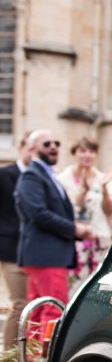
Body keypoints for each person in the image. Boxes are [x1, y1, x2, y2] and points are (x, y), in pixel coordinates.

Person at [14, 130, 92, 336]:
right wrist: (74, 229)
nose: (53, 147)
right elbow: (38, 213)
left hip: (47, 255)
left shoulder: (47, 175)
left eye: (56, 143)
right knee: (53, 311)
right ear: (31, 148)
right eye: (47, 143)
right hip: (46, 255)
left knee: (39, 313)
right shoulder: (32, 175)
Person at [57, 137, 112, 288]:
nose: (87, 155)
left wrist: (104, 190)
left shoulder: (103, 179)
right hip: (75, 242)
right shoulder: (62, 180)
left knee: (98, 285)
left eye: (91, 151)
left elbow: (110, 211)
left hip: (100, 241)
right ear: (74, 154)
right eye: (82, 151)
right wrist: (83, 192)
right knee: (74, 286)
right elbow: (66, 211)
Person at [0, 133, 32, 349]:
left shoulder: (43, 177)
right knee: (19, 304)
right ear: (20, 148)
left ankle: (26, 355)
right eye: (30, 147)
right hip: (11, 248)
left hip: (36, 251)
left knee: (33, 305)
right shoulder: (5, 175)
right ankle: (8, 359)